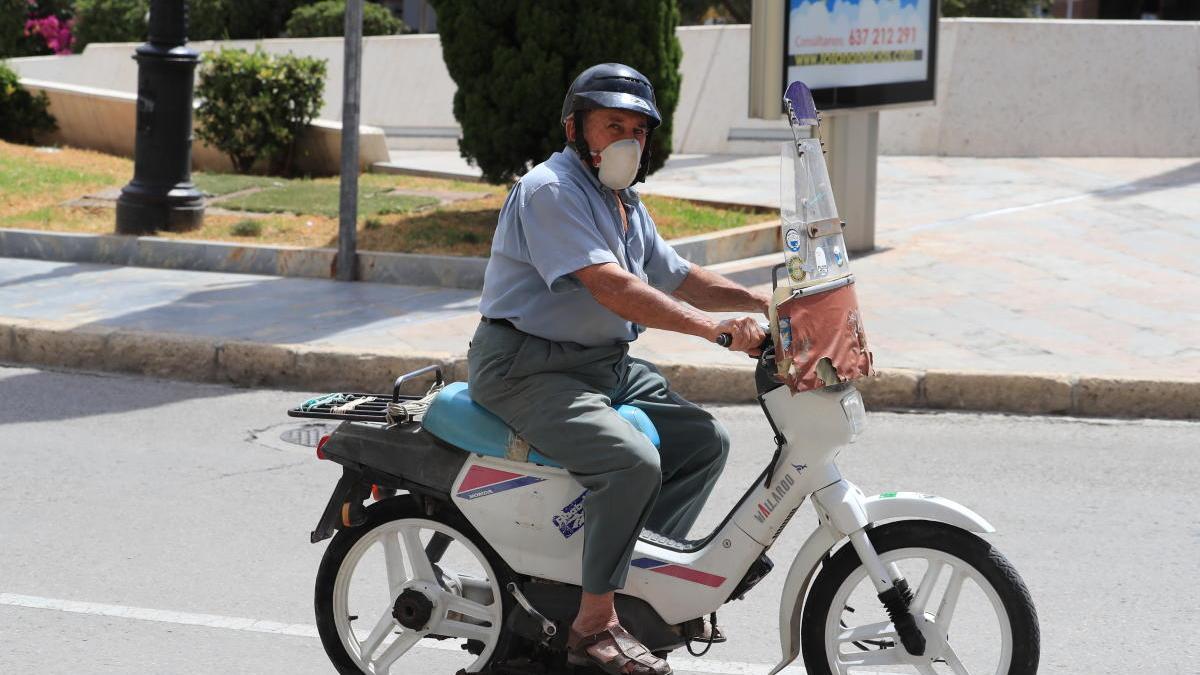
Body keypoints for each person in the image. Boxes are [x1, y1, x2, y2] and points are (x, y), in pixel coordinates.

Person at [467, 63, 768, 675]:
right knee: (632, 463)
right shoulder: (551, 190)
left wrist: (766, 302)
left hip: (601, 364)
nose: (628, 140)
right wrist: (712, 330)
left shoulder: (622, 200)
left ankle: (624, 583)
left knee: (703, 441)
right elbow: (611, 287)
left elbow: (679, 276)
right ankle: (592, 625)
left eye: (638, 128)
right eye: (613, 125)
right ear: (576, 128)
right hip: (527, 367)